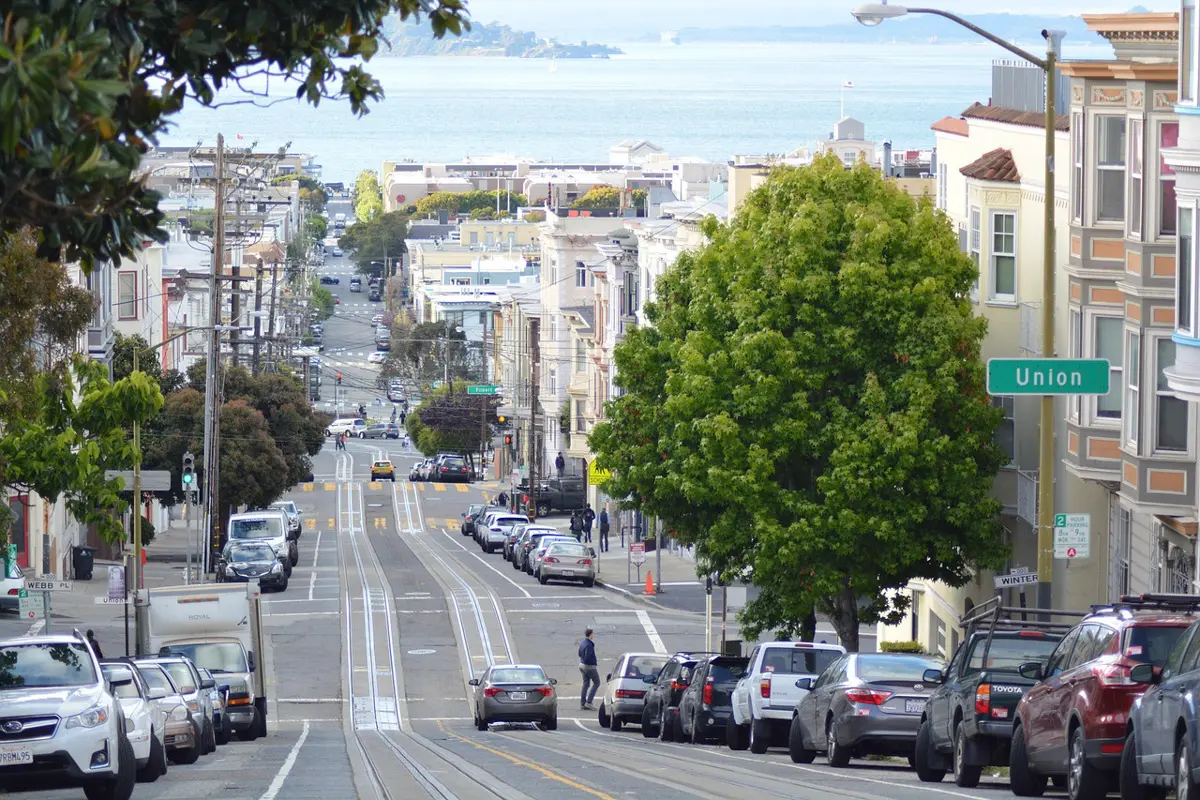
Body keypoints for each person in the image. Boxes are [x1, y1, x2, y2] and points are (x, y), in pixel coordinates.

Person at [578, 628, 599, 711]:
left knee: (586, 683)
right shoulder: (589, 645)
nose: (593, 635)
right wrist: (593, 662)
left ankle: (583, 703)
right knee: (597, 683)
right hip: (589, 666)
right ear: (590, 634)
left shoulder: (583, 642)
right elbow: (587, 657)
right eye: (593, 634)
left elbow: (579, 653)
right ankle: (589, 702)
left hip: (581, 665)